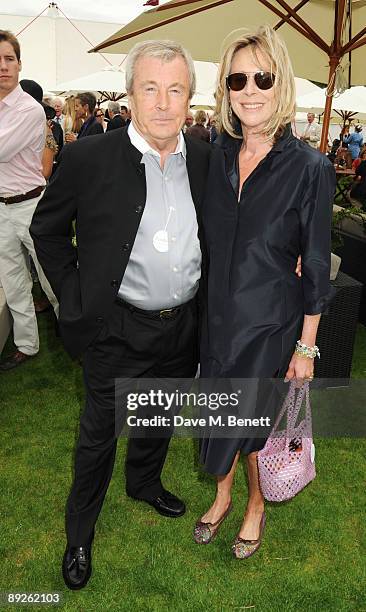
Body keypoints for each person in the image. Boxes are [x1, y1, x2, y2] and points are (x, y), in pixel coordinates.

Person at [30, 39, 211, 590]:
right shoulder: (89, 157)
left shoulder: (205, 157)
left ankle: (144, 483)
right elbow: (47, 230)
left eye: (175, 89)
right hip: (116, 325)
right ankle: (80, 534)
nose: (162, 102)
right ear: (130, 95)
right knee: (98, 435)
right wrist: (74, 298)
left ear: (189, 98)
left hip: (182, 324)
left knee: (157, 415)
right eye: (150, 88)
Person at [195, 26, 335, 559]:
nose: (250, 89)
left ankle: (254, 504)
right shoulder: (214, 157)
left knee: (252, 426)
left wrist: (307, 345)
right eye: (237, 78)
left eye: (263, 77)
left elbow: (317, 262)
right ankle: (223, 493)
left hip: (269, 326)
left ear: (281, 85)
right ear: (226, 89)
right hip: (217, 320)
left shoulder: (310, 168)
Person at [0, 30, 58, 371]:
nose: (3, 66)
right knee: (14, 279)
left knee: (53, 278)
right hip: (2, 207)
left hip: (32, 205)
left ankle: (77, 337)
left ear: (20, 64)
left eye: (9, 59)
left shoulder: (29, 109)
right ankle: (26, 344)